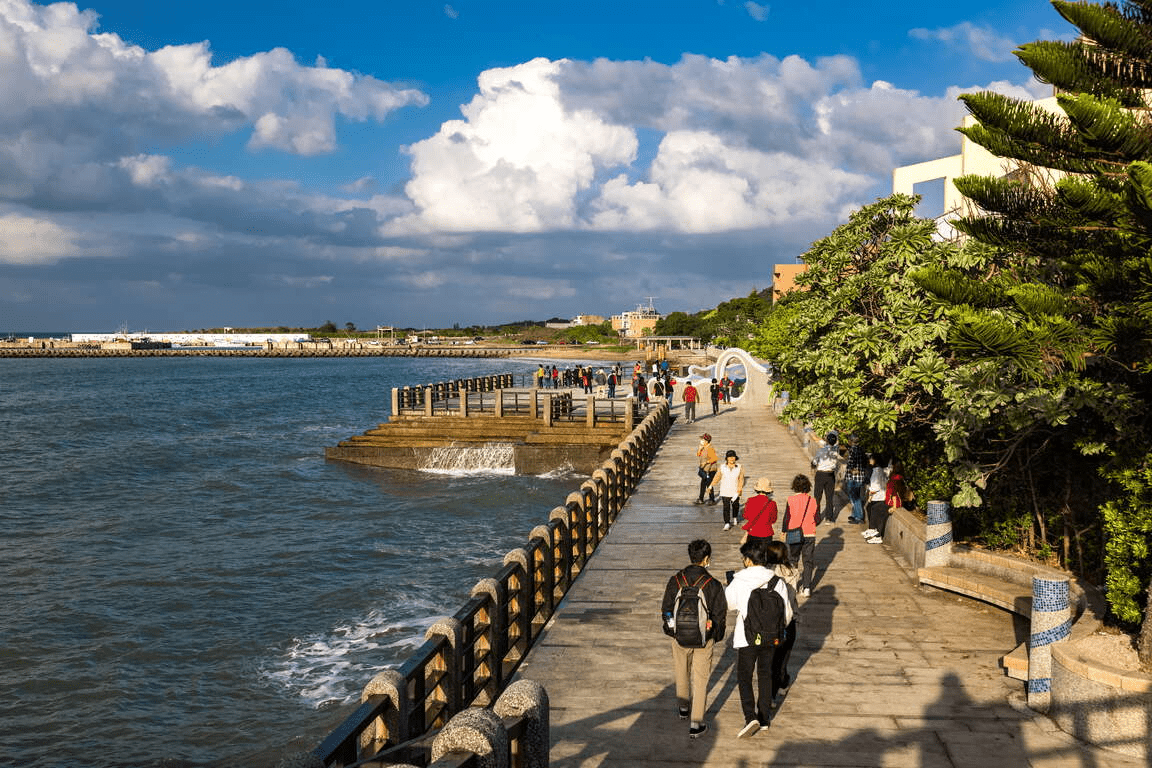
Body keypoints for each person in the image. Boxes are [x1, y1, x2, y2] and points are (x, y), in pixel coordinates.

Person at [724, 538, 794, 738]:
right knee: (765, 674)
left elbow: (729, 604)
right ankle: (764, 718)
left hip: (746, 637)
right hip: (771, 637)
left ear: (747, 560)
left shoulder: (739, 580)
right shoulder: (776, 581)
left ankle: (750, 717)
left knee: (744, 676)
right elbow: (787, 615)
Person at [661, 538, 727, 739]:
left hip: (679, 636)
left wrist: (672, 630)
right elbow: (719, 615)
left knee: (681, 671)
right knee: (700, 679)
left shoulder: (676, 580)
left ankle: (683, 707)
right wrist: (714, 636)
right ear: (706, 558)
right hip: (703, 639)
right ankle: (696, 723)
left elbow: (666, 609)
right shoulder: (712, 584)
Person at [764, 541, 799, 701]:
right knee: (782, 660)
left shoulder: (765, 573)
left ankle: (771, 695)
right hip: (789, 620)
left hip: (769, 621)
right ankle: (782, 683)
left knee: (771, 662)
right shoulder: (793, 572)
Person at [783, 474, 819, 596]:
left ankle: (792, 585)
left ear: (794, 487)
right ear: (808, 486)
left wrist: (784, 532)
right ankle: (807, 587)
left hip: (794, 533)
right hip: (809, 533)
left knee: (792, 559)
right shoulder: (813, 500)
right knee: (808, 561)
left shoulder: (790, 500)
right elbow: (818, 519)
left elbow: (786, 518)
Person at [708, 449, 745, 530]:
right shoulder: (722, 467)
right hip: (725, 490)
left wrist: (739, 490)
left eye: (733, 457)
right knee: (726, 507)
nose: (732, 459)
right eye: (730, 457)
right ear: (727, 458)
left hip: (735, 491)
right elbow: (717, 477)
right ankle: (727, 523)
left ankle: (735, 517)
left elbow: (741, 480)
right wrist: (711, 485)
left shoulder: (739, 467)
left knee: (735, 506)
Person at [812, 432, 840, 524]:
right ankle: (829, 518)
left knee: (817, 497)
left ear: (827, 440)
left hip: (820, 474)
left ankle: (816, 518)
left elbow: (814, 462)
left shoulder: (821, 451)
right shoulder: (836, 451)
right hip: (830, 475)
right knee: (829, 497)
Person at [740, 478, 777, 546]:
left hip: (753, 532)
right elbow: (773, 520)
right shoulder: (772, 503)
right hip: (767, 533)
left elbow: (746, 516)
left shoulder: (750, 500)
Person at [862, 454, 890, 543]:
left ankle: (877, 535)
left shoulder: (876, 471)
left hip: (878, 497)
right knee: (871, 511)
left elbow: (875, 487)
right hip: (879, 497)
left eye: (871, 459)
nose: (870, 460)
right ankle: (872, 532)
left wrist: (869, 491)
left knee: (876, 517)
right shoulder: (881, 470)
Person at [842, 434, 869, 524]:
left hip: (853, 478)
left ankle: (859, 517)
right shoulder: (861, 450)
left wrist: (850, 471)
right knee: (856, 496)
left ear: (851, 441)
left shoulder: (852, 450)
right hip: (860, 478)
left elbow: (850, 465)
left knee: (854, 498)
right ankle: (854, 514)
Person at [695, 433, 719, 505]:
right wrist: (699, 449)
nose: (701, 441)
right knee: (703, 484)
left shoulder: (710, 448)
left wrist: (706, 462)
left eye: (702, 439)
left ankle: (712, 499)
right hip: (705, 469)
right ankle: (701, 498)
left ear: (706, 441)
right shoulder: (703, 447)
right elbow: (698, 455)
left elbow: (714, 459)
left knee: (709, 484)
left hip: (710, 469)